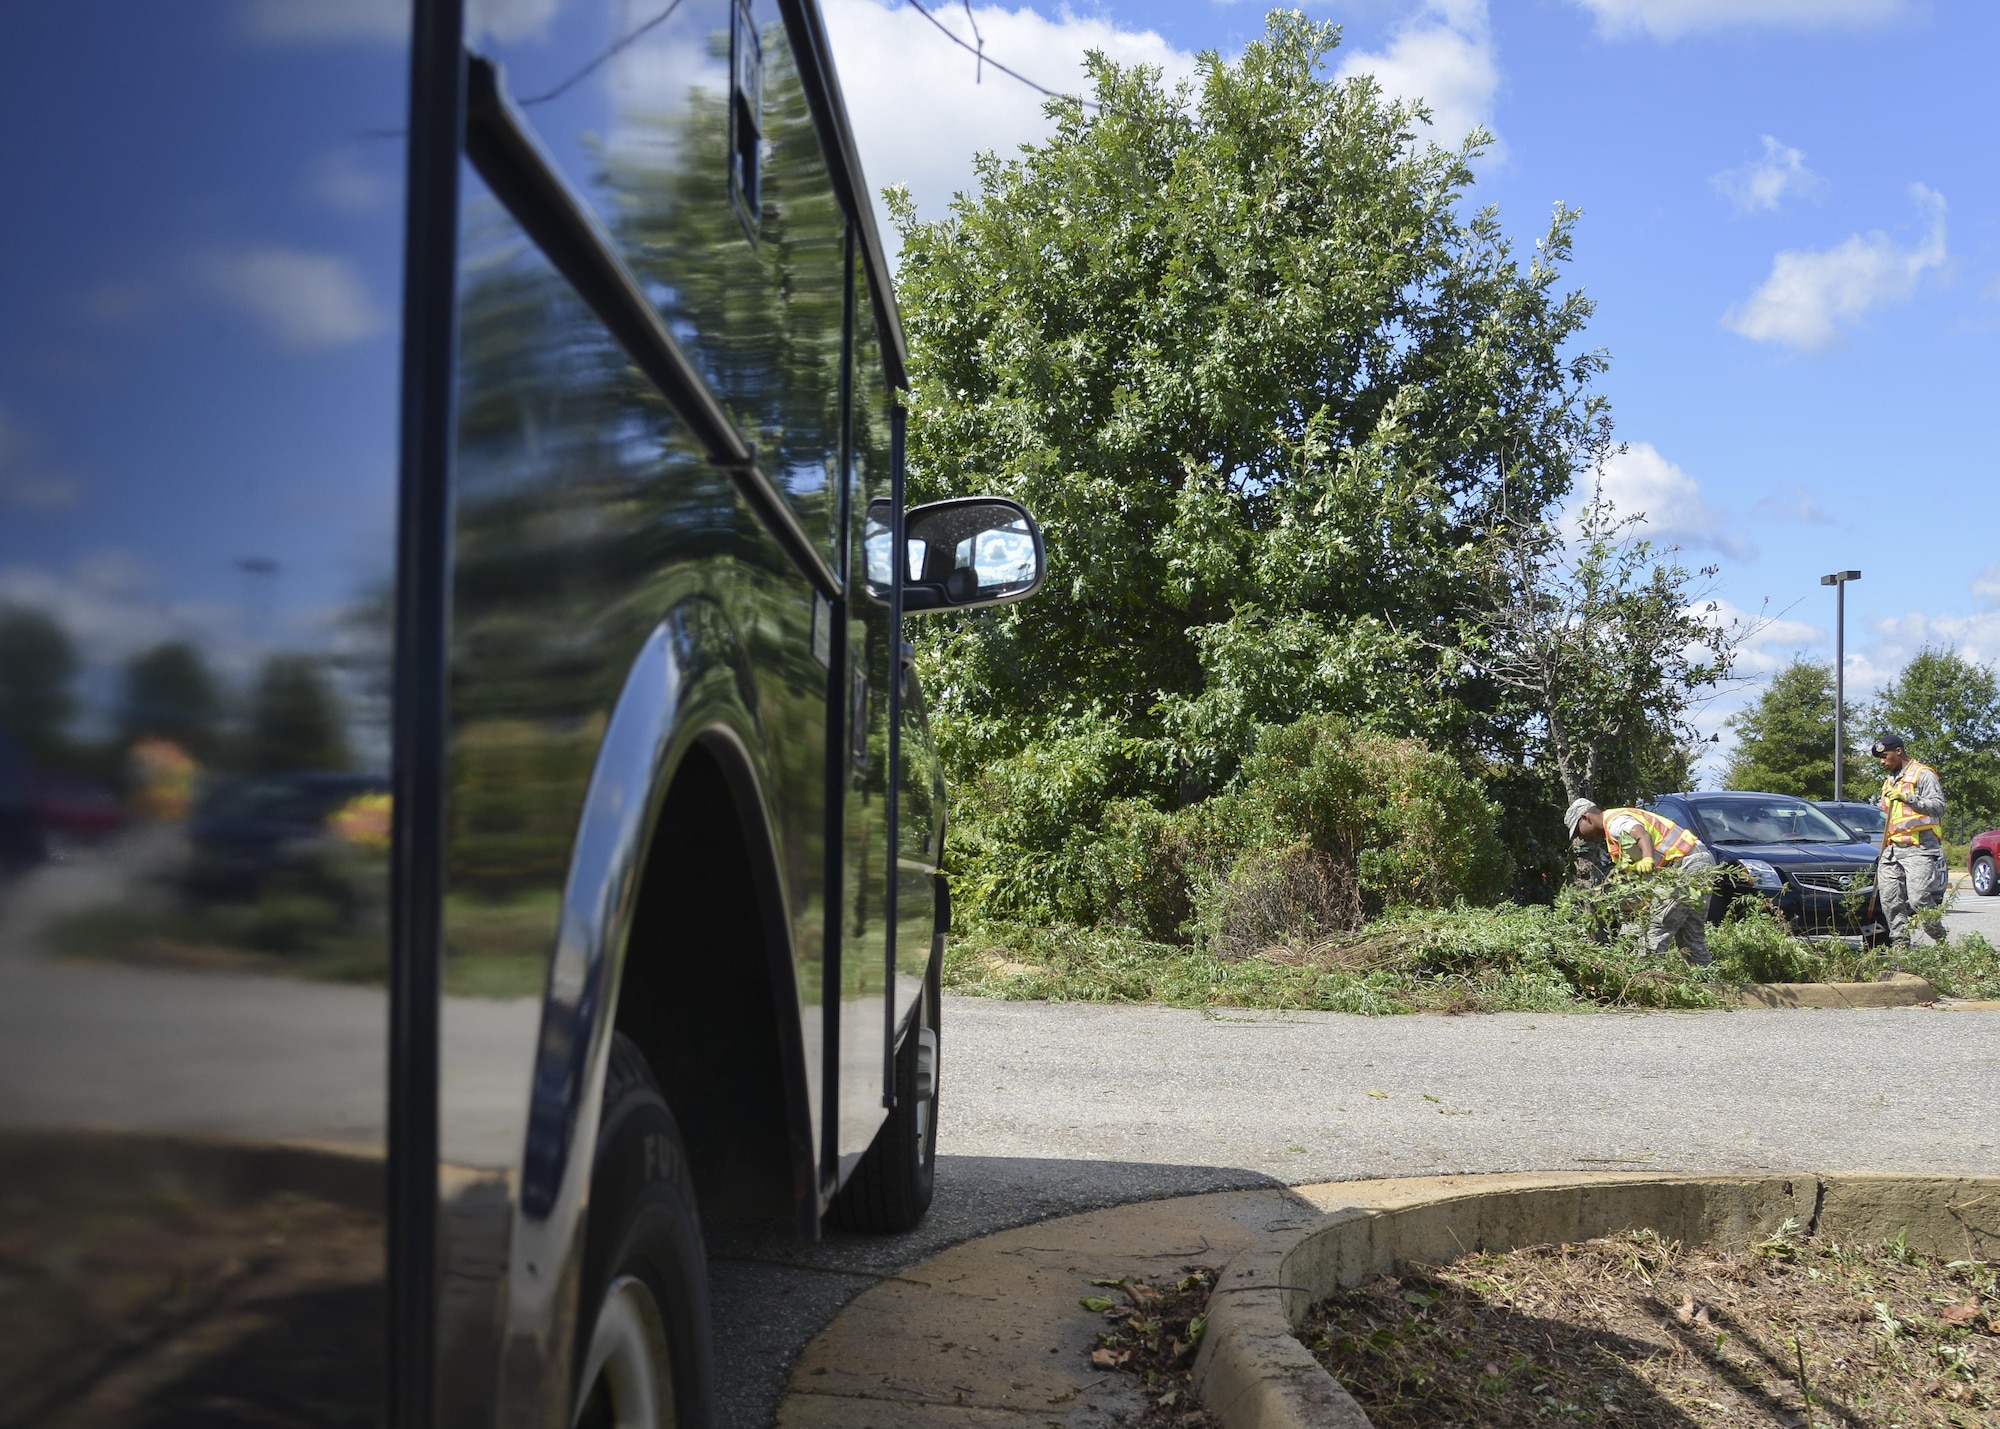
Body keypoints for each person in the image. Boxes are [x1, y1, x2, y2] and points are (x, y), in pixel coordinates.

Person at [1565, 798, 1716, 966]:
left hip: (1686, 867)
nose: (1580, 837)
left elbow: (1641, 834)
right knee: (1691, 935)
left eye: (1578, 831)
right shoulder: (1613, 833)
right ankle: (1710, 986)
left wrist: (1647, 859)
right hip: (1698, 862)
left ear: (1586, 818)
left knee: (1656, 927)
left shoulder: (1615, 823)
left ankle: (1648, 982)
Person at [1873, 733, 1946, 951]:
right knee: (1890, 902)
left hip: (1920, 848)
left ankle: (1941, 941)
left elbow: (1938, 807)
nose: (1882, 761)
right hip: (1893, 850)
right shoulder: (1888, 782)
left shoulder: (1923, 774)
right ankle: (1901, 951)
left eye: (1885, 756)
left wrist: (1907, 798)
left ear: (1898, 751)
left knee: (1919, 900)